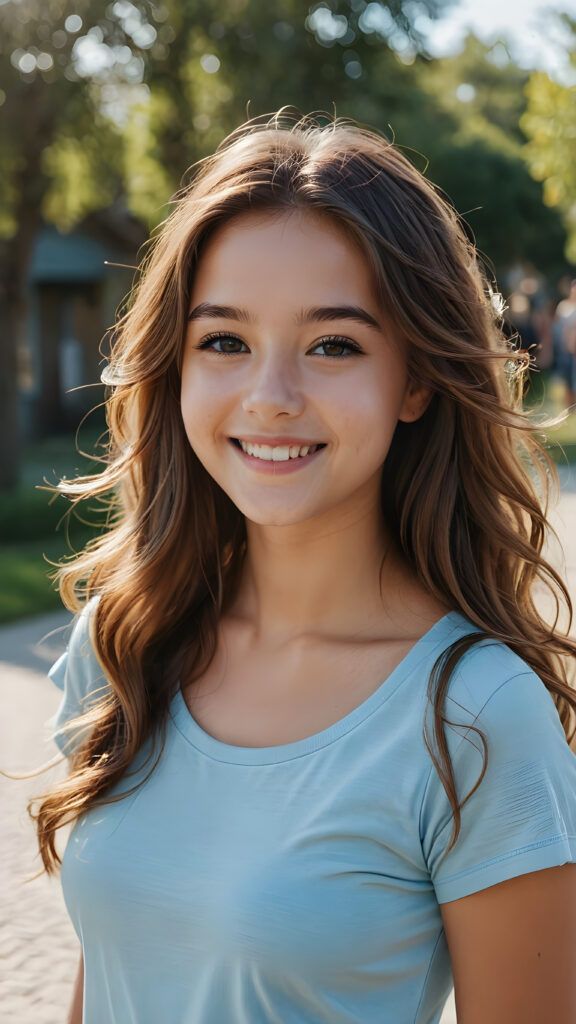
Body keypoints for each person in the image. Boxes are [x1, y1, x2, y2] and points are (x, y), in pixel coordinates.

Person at [32, 112, 576, 1024]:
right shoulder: (127, 641)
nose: (271, 397)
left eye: (334, 345)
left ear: (415, 381)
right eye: (225, 341)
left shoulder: (475, 717)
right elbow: (119, 967)